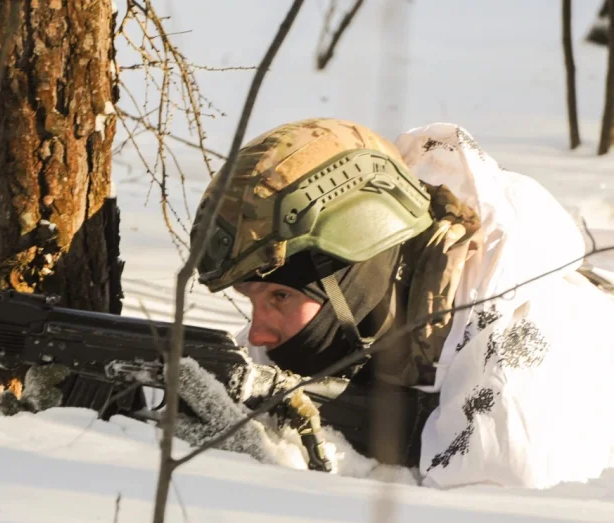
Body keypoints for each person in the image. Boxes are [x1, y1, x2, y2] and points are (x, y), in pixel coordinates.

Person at [187, 118, 614, 489]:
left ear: (357, 276)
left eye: (280, 296)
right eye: (252, 299)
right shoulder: (353, 315)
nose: (258, 331)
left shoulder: (524, 344)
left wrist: (284, 461)